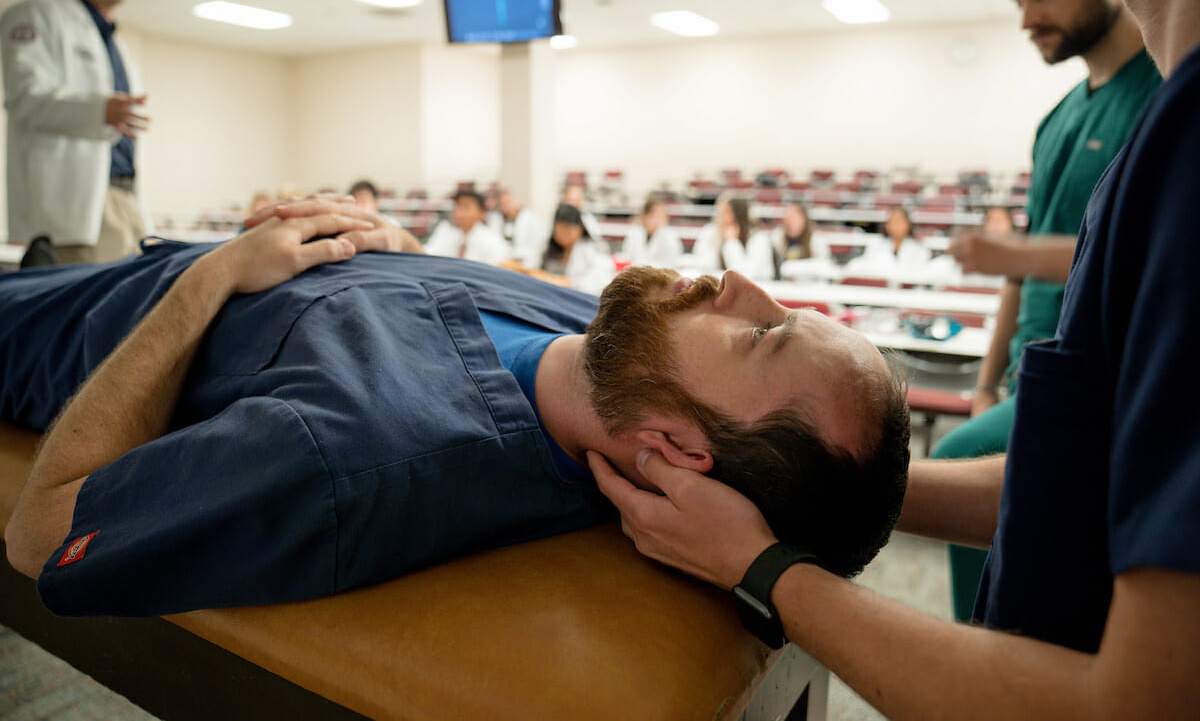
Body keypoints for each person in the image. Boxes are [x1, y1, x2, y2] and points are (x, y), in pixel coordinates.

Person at [589, 0, 1200, 716]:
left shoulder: (1186, 147)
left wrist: (765, 568)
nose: (734, 282)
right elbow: (1092, 488)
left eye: (767, 336)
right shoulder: (1159, 139)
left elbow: (1140, 703)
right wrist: (816, 485)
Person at [1, 196, 910, 617]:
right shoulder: (603, 340)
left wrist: (210, 281)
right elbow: (429, 306)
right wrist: (384, 247)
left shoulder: (352, 454)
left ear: (675, 449)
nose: (743, 284)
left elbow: (42, 536)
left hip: (62, 324)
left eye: (760, 336)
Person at [938, 0, 1161, 622]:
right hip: (1026, 375)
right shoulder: (1055, 120)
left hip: (1101, 377)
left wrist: (1014, 255)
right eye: (1017, 1)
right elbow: (1017, 279)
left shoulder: (1163, 94)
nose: (1029, 18)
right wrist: (983, 381)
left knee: (955, 461)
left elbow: (1152, 247)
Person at [2, 0, 152, 264]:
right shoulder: (35, 17)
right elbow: (26, 99)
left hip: (125, 201)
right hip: (71, 213)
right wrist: (100, 111)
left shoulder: (118, 47)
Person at [524, 203, 615, 295]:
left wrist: (568, 283)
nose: (563, 233)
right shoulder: (548, 249)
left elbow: (600, 280)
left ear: (580, 227)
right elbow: (532, 266)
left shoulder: (592, 249)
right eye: (560, 228)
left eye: (568, 228)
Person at [692, 194, 775, 281]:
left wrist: (732, 242)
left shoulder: (759, 238)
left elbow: (745, 276)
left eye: (725, 212)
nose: (719, 216)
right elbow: (705, 266)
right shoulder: (712, 233)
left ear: (738, 215)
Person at [423, 186, 510, 266]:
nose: (458, 212)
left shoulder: (493, 242)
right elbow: (428, 255)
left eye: (465, 207)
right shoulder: (447, 234)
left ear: (482, 213)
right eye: (457, 206)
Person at [621, 193, 683, 270]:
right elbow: (627, 256)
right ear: (645, 215)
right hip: (636, 274)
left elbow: (673, 259)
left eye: (662, 215)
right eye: (655, 215)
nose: (659, 219)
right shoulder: (635, 232)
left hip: (660, 276)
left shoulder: (669, 234)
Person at [488, 187, 546, 269]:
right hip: (504, 262)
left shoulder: (530, 219)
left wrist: (520, 259)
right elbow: (494, 242)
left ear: (515, 200)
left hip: (526, 262)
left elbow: (538, 245)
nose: (505, 206)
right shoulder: (496, 219)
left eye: (508, 202)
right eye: (501, 203)